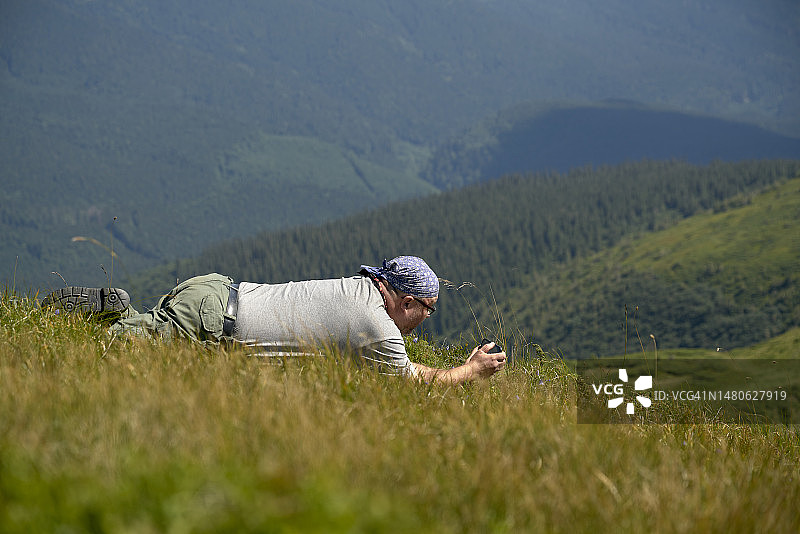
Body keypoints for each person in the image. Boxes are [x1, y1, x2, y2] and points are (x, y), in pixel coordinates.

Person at [42, 256, 506, 384]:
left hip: (214, 294)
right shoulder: (375, 327)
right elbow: (410, 381)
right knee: (108, 350)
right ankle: (116, 308)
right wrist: (471, 370)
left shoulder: (358, 289)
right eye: (428, 310)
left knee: (141, 337)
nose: (425, 321)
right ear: (407, 302)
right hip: (208, 328)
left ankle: (127, 312)